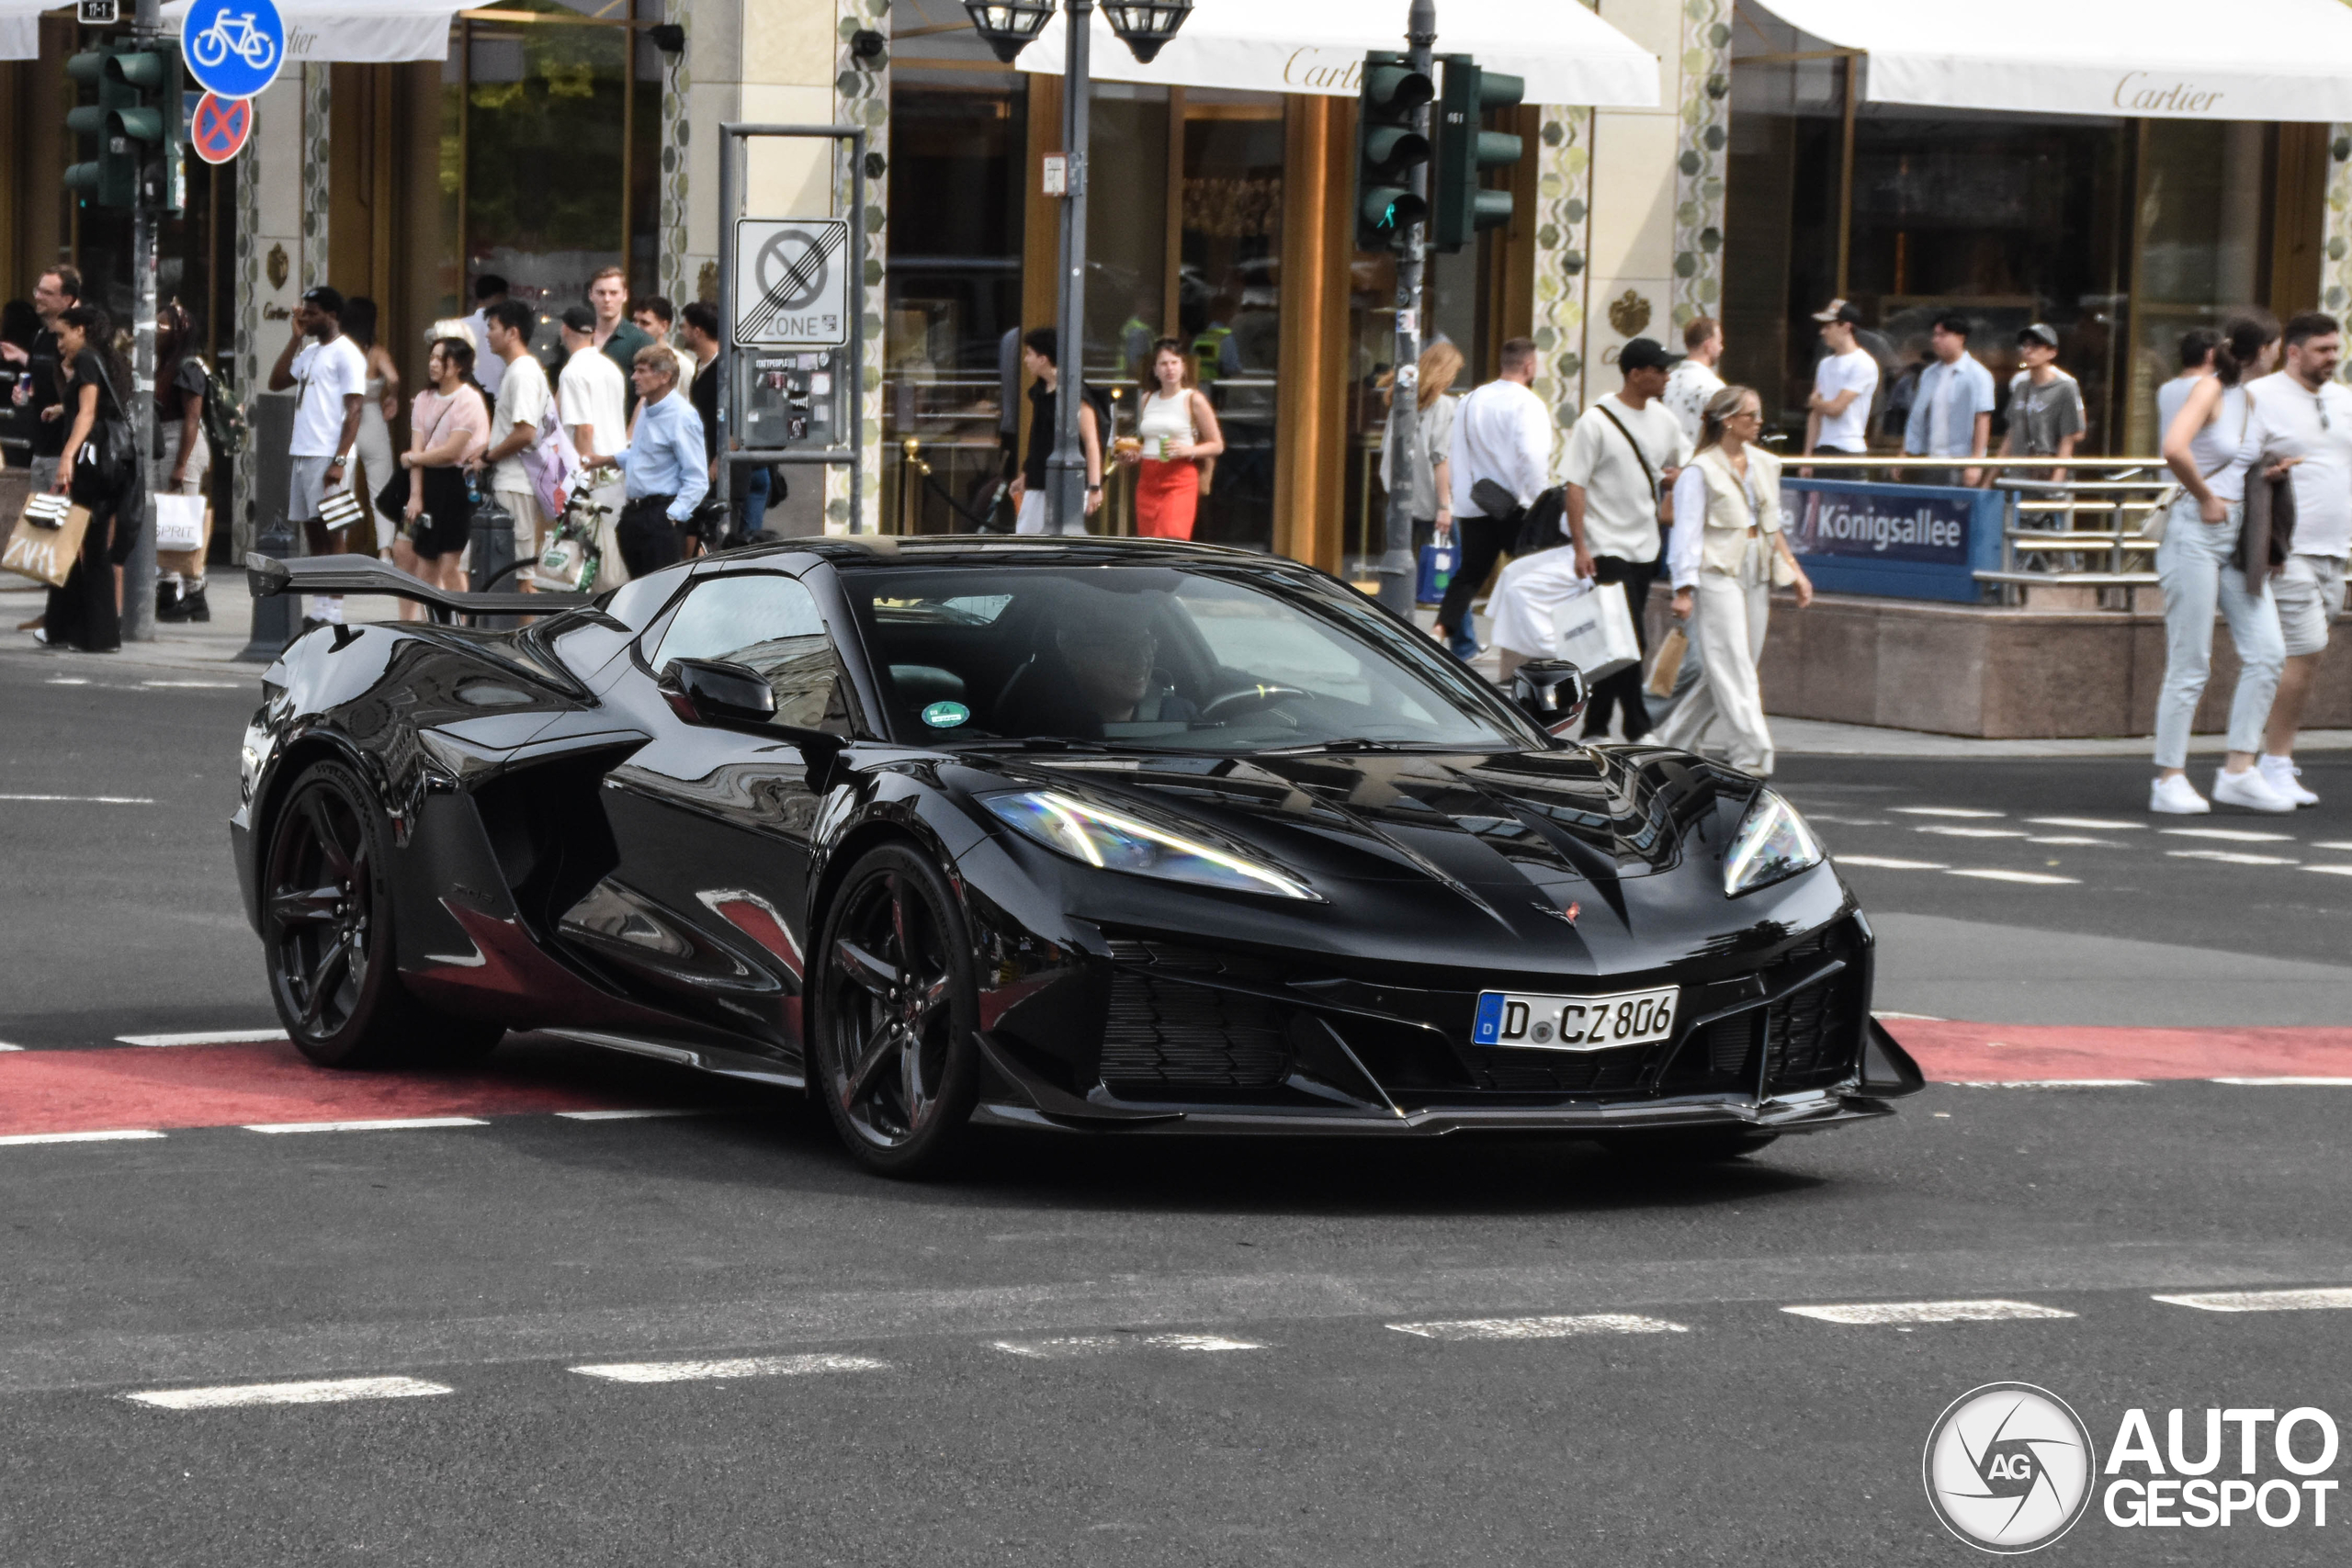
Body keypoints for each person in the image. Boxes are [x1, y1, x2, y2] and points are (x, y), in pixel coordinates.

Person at [1493, 339, 1692, 738]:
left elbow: (1687, 463)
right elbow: (1575, 487)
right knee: (1628, 633)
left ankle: (1597, 725)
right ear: (1636, 374)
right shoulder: (1597, 421)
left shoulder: (1664, 420)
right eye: (1660, 369)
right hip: (1605, 545)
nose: (1668, 376)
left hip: (1646, 543)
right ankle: (1637, 724)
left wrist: (1676, 476)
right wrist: (1582, 547)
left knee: (1615, 636)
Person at [2154, 310, 2292, 815]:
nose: (2277, 354)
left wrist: (2270, 472)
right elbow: (2174, 448)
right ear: (2262, 350)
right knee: (2191, 661)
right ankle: (2168, 777)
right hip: (2195, 527)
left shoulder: (2250, 398)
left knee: (2268, 651)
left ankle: (2239, 769)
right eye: (2275, 345)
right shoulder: (2209, 389)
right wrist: (2207, 496)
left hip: (2236, 535)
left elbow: (2240, 462)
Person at [1657, 385, 1814, 775]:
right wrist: (1683, 588)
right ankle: (1753, 754)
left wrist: (1794, 569)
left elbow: (1770, 523)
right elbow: (1687, 533)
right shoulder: (1701, 470)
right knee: (1734, 666)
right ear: (1728, 421)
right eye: (1751, 416)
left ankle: (1669, 743)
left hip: (1755, 567)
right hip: (1715, 571)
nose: (1759, 422)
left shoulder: (1764, 463)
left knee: (1733, 667)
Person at [2243, 310, 2350, 807]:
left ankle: (2262, 757)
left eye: (2336, 348)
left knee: (2303, 657)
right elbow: (2235, 460)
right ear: (2294, 351)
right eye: (2323, 349)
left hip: (2336, 550)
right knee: (2304, 652)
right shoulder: (2261, 397)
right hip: (2290, 551)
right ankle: (2274, 761)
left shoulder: (2343, 399)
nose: (2333, 358)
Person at [1436, 336, 1550, 660]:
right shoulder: (1528, 404)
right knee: (1533, 572)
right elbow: (1532, 457)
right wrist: (1541, 500)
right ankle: (1525, 649)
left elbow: (1455, 450)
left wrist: (1458, 497)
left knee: (1469, 575)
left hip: (1475, 503)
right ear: (1529, 366)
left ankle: (1437, 632)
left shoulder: (1470, 400)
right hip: (1518, 506)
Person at [266, 286, 368, 629]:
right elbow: (277, 380)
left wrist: (340, 460)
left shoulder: (347, 353)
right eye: (303, 312)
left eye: (311, 313)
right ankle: (320, 606)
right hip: (303, 452)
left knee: (334, 531)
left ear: (332, 315)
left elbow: (355, 411)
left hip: (329, 454)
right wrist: (295, 339)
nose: (304, 318)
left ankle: (335, 611)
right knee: (314, 532)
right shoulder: (309, 352)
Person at [40, 303, 135, 652]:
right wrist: (61, 408)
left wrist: (67, 454)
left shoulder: (86, 360)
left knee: (88, 547)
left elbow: (90, 411)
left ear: (81, 330)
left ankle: (98, 634)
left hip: (90, 465)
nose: (60, 343)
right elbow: (89, 407)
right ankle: (70, 627)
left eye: (63, 335)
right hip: (102, 464)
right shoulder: (96, 360)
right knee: (83, 544)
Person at [586, 344, 707, 578]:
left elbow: (697, 477)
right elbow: (643, 455)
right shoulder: (646, 408)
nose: (634, 377)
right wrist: (604, 460)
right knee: (635, 590)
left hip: (659, 516)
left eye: (642, 371)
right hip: (634, 513)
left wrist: (672, 516)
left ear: (664, 377)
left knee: (659, 595)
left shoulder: (682, 416)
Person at [390, 336, 490, 618]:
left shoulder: (469, 400)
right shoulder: (423, 398)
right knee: (415, 558)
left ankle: (464, 622)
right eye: (432, 357)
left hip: (457, 486)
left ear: (457, 365)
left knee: (449, 564)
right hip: (425, 483)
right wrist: (415, 495)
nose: (433, 364)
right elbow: (418, 444)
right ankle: (416, 623)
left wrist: (412, 458)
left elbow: (451, 451)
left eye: (440, 359)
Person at [1377, 340, 1464, 637]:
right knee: (1458, 574)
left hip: (1400, 497)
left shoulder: (1402, 398)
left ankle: (1394, 631)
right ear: (1444, 373)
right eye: (1453, 372)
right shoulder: (1444, 407)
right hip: (1430, 499)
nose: (1454, 379)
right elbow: (1441, 458)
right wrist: (1445, 505)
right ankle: (1463, 640)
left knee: (1399, 569)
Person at [477, 298, 554, 587]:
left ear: (513, 332)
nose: (487, 334)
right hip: (510, 482)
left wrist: (488, 457)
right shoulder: (518, 370)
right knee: (503, 574)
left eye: (492, 327)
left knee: (521, 577)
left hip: (517, 483)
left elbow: (525, 432)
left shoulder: (522, 372)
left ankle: (529, 633)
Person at [1118, 337, 1225, 540]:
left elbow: (1217, 445)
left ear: (1183, 367)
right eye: (1163, 364)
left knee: (1170, 538)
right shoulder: (1147, 398)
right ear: (1155, 369)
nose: (1170, 369)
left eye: (1175, 362)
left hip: (1179, 477)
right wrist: (1133, 455)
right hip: (1148, 478)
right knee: (1149, 542)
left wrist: (1188, 450)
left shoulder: (1193, 399)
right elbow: (1148, 440)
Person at [681, 299, 765, 540]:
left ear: (698, 331)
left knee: (723, 538)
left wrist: (721, 458)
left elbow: (745, 420)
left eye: (684, 327)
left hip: (726, 474)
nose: (682, 332)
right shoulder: (701, 365)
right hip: (703, 469)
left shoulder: (727, 368)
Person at [1008, 327, 1104, 536]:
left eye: (1029, 354)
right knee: (1027, 537)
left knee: (1058, 541)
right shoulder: (1040, 391)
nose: (1026, 360)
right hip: (1038, 480)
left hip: (1067, 483)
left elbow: (1091, 441)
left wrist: (1095, 487)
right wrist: (1027, 472)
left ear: (1043, 358)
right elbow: (1039, 438)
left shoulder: (1075, 393)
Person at [152, 301, 214, 622]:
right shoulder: (163, 362)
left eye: (162, 326)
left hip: (182, 443)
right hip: (166, 440)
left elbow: (192, 419)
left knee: (183, 520)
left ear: (179, 331)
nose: (156, 330)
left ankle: (192, 592)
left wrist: (180, 465)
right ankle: (172, 590)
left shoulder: (188, 366)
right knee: (170, 520)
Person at [557, 304, 628, 547]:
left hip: (593, 477)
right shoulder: (612, 368)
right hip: (617, 471)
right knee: (612, 552)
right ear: (594, 333)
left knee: (589, 553)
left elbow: (584, 428)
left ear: (564, 329)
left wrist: (579, 481)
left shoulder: (572, 372)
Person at [338, 296, 403, 555]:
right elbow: (394, 377)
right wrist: (392, 396)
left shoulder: (339, 349)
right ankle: (385, 551)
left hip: (344, 420)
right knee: (382, 486)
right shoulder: (376, 352)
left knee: (342, 486)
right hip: (373, 417)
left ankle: (339, 547)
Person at [1902, 312, 1996, 486]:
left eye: (1943, 335)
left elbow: (1982, 419)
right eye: (1935, 335)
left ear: (1961, 337)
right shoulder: (1929, 374)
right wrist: (1905, 452)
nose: (1936, 340)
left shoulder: (1978, 375)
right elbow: (1917, 416)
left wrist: (1976, 463)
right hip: (1929, 458)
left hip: (1959, 461)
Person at [1804, 299, 1879, 463]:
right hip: (1823, 447)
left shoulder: (1863, 363)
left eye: (1828, 326)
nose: (1823, 332)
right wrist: (1808, 456)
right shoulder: (1825, 364)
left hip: (1849, 450)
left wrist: (1815, 402)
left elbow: (1836, 408)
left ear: (1846, 326)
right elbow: (1815, 414)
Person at [588, 266, 653, 412]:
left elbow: (649, 394)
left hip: (622, 428)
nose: (607, 299)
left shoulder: (641, 341)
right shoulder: (581, 337)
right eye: (601, 293)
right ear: (591, 295)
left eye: (613, 293)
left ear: (625, 295)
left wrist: (630, 432)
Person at [1661, 316, 1725, 445]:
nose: (1721, 348)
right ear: (1708, 345)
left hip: (1666, 462)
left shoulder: (1665, 383)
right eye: (1719, 342)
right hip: (1700, 461)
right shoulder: (1715, 387)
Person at [631, 295, 697, 388]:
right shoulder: (626, 354)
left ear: (664, 326)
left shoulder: (681, 365)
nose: (636, 328)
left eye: (645, 323)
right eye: (634, 321)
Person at [462, 274, 511, 402]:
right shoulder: (505, 328)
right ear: (500, 297)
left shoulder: (459, 326)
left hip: (466, 399)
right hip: (498, 400)